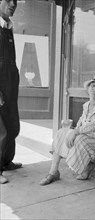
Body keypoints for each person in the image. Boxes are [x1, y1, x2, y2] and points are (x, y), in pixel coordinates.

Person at [40, 78, 95, 185]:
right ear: (88, 89)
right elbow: (80, 123)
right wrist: (71, 132)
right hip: (84, 139)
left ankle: (87, 167)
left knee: (78, 138)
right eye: (92, 86)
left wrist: (75, 132)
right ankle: (53, 172)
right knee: (62, 132)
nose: (94, 89)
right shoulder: (86, 105)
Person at [0, 0, 22, 184]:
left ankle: (6, 161)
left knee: (12, 126)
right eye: (8, 0)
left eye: (15, 2)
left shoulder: (8, 26)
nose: (13, 4)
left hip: (10, 85)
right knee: (1, 131)